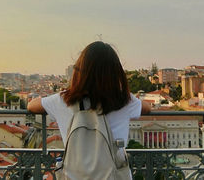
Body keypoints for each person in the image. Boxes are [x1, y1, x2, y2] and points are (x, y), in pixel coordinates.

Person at [28, 41, 151, 176]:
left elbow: (31, 105)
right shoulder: (124, 101)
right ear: (115, 73)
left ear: (79, 71)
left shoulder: (63, 100)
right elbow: (147, 108)